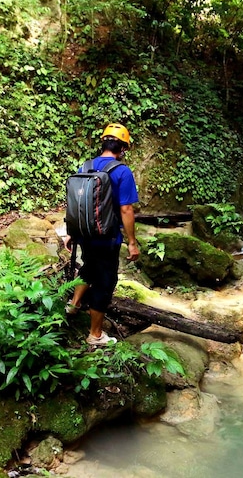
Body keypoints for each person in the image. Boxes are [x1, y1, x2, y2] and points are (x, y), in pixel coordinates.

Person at [64, 123, 140, 346]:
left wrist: (71, 231)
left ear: (103, 143)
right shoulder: (122, 171)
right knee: (105, 282)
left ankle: (74, 304)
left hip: (84, 233)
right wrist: (132, 242)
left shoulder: (85, 166)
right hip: (107, 237)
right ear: (123, 148)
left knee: (88, 266)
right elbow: (126, 209)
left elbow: (74, 202)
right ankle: (95, 335)